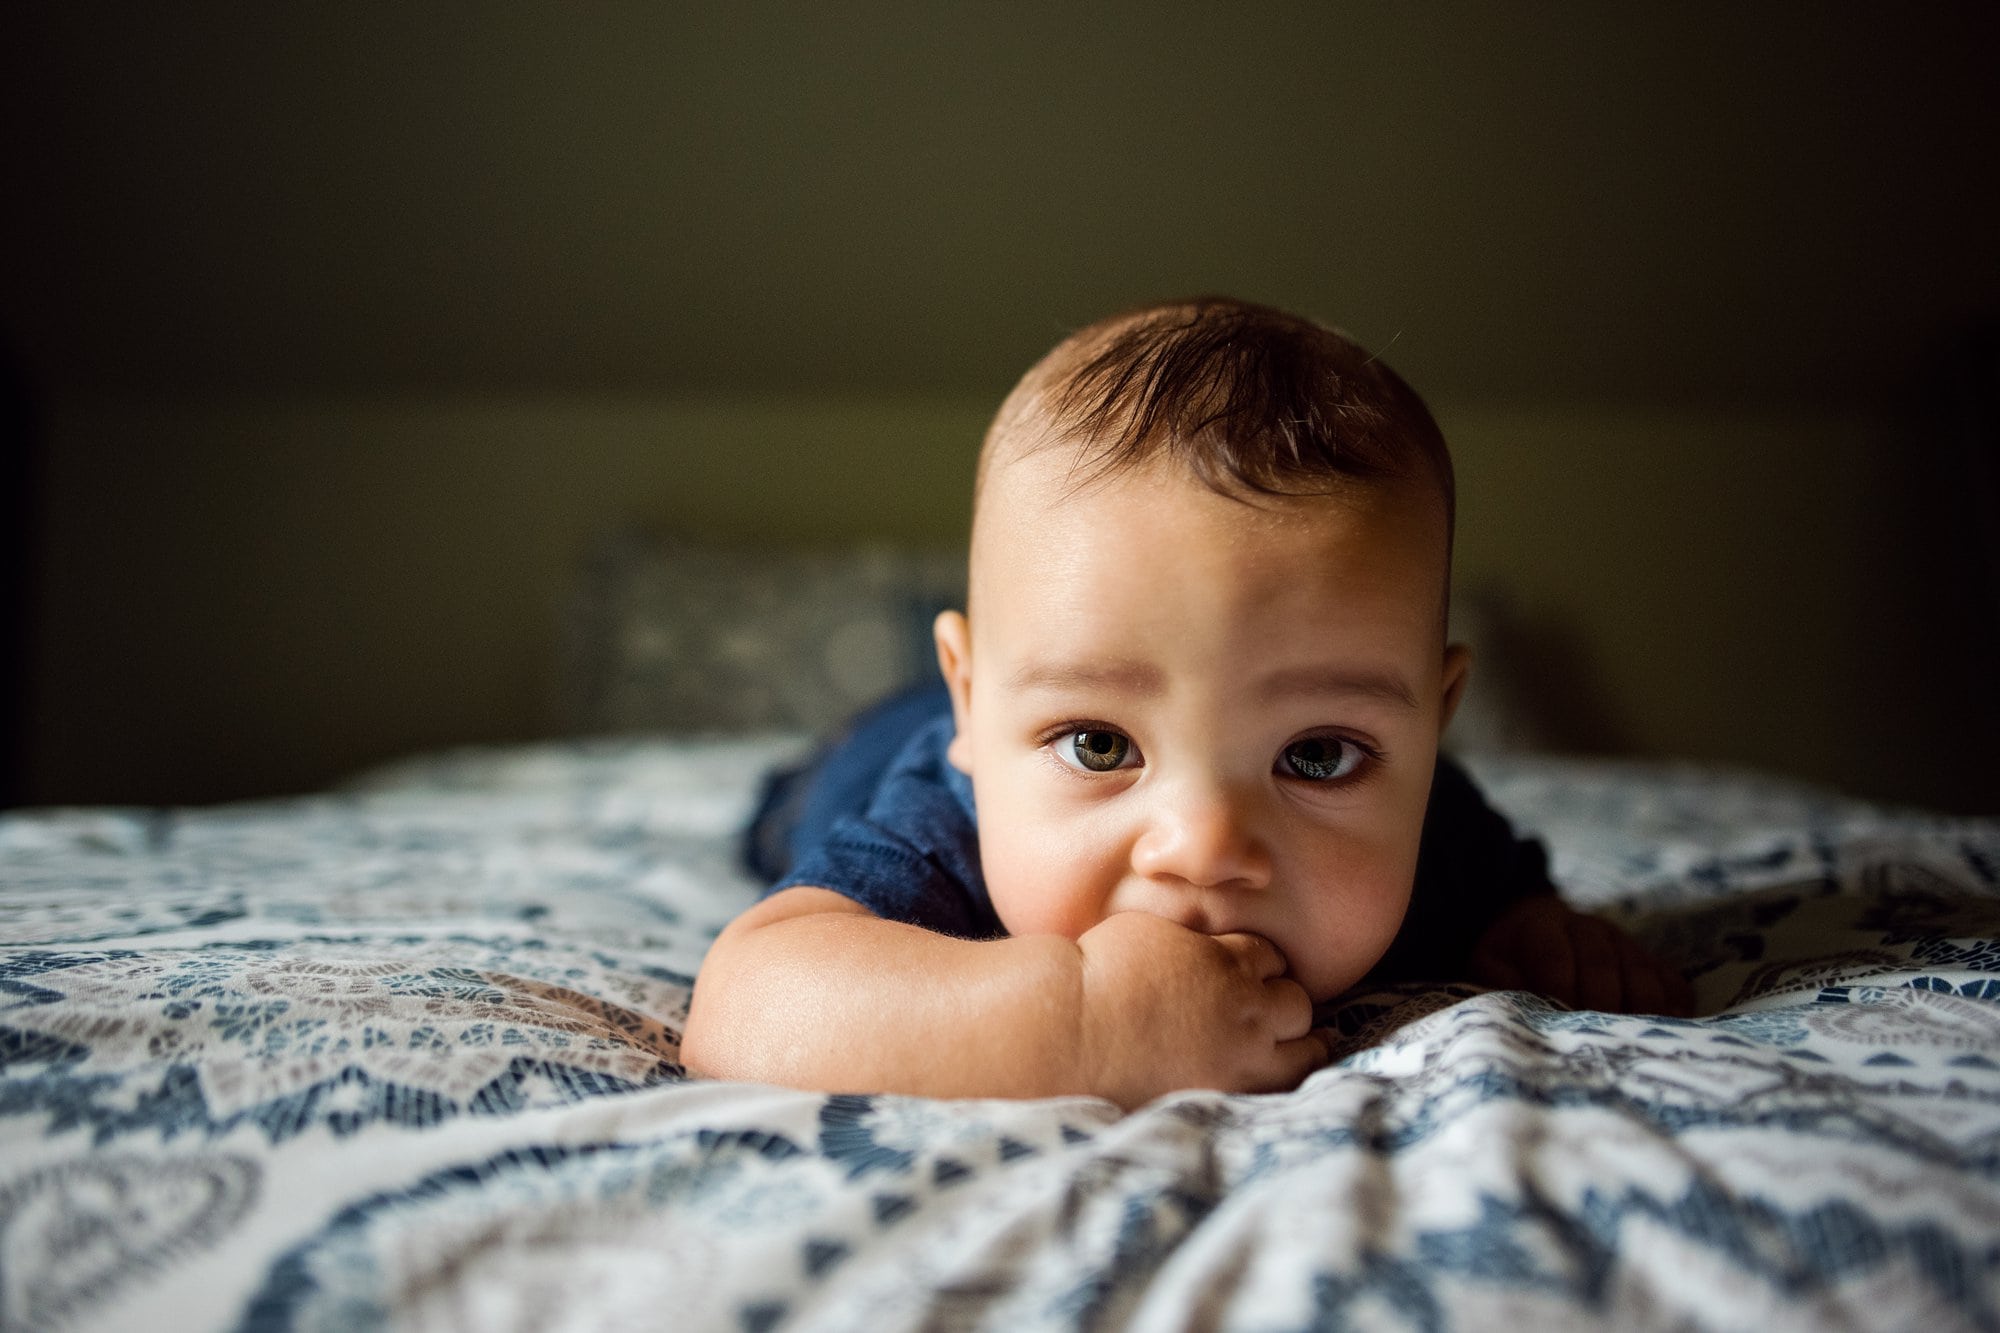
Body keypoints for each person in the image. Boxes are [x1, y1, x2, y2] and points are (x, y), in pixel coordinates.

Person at [682, 297, 1691, 1109]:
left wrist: (1538, 928)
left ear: (1432, 727)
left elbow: (1506, 901)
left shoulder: (1440, 827)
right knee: (796, 805)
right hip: (864, 748)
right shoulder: (931, 834)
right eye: (1094, 743)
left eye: (1315, 756)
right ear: (975, 706)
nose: (1205, 847)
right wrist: (1079, 1025)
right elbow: (745, 1010)